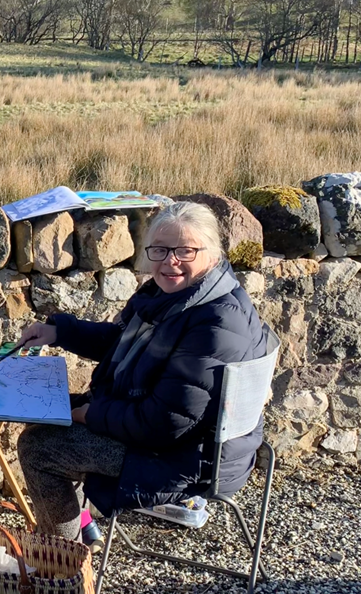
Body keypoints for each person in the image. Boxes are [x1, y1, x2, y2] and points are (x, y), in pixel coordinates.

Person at [15, 201, 266, 541]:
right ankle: (80, 527)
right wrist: (60, 332)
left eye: (185, 251)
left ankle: (62, 562)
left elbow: (166, 423)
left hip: (182, 456)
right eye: (159, 250)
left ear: (213, 253)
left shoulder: (216, 322)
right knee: (41, 412)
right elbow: (120, 342)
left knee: (40, 448)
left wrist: (90, 414)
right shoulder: (170, 295)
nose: (169, 262)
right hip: (157, 426)